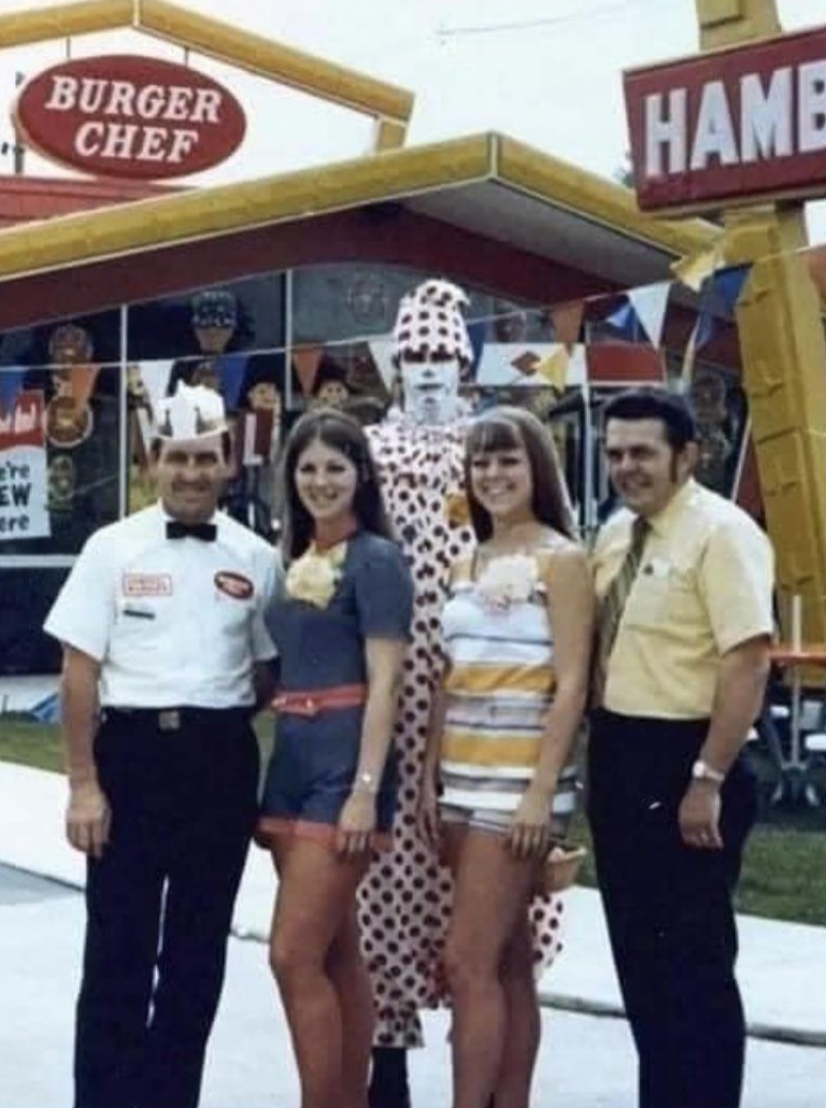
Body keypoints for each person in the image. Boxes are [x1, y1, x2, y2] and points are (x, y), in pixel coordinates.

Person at [43, 382, 281, 1108]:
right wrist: (84, 784)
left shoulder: (258, 557)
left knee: (196, 954)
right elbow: (78, 672)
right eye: (177, 457)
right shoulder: (109, 549)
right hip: (132, 762)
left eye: (205, 458)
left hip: (218, 764)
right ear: (152, 461)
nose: (191, 472)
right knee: (119, 950)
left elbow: (266, 673)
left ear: (228, 463)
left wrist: (217, 726)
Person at [362, 279, 564, 1108]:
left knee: (485, 921)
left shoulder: (491, 455)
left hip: (488, 692)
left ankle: (489, 1081)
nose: (430, 369)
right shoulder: (369, 450)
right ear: (395, 363)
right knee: (388, 867)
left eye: (444, 353)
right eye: (415, 355)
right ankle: (389, 1059)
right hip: (390, 683)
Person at [587, 387, 775, 1108]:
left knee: (694, 969)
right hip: (621, 757)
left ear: (687, 456)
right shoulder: (614, 536)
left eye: (643, 452)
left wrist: (708, 777)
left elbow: (748, 660)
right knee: (641, 965)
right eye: (615, 453)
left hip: (689, 759)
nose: (627, 467)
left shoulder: (721, 534)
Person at [422, 406, 594, 1108]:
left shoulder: (563, 558)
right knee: (506, 961)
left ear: (537, 471)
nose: (493, 475)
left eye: (508, 461)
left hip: (517, 784)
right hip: (461, 778)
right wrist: (434, 776)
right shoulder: (466, 557)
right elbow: (447, 672)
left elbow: (574, 681)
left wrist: (539, 791)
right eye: (482, 462)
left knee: (465, 963)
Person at [259, 408, 413, 1108]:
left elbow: (387, 683)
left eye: (335, 468)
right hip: (288, 762)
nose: (321, 481)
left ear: (361, 476)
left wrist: (364, 788)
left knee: (290, 954)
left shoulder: (377, 559)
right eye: (308, 468)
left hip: (344, 768)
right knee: (333, 948)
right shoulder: (296, 558)